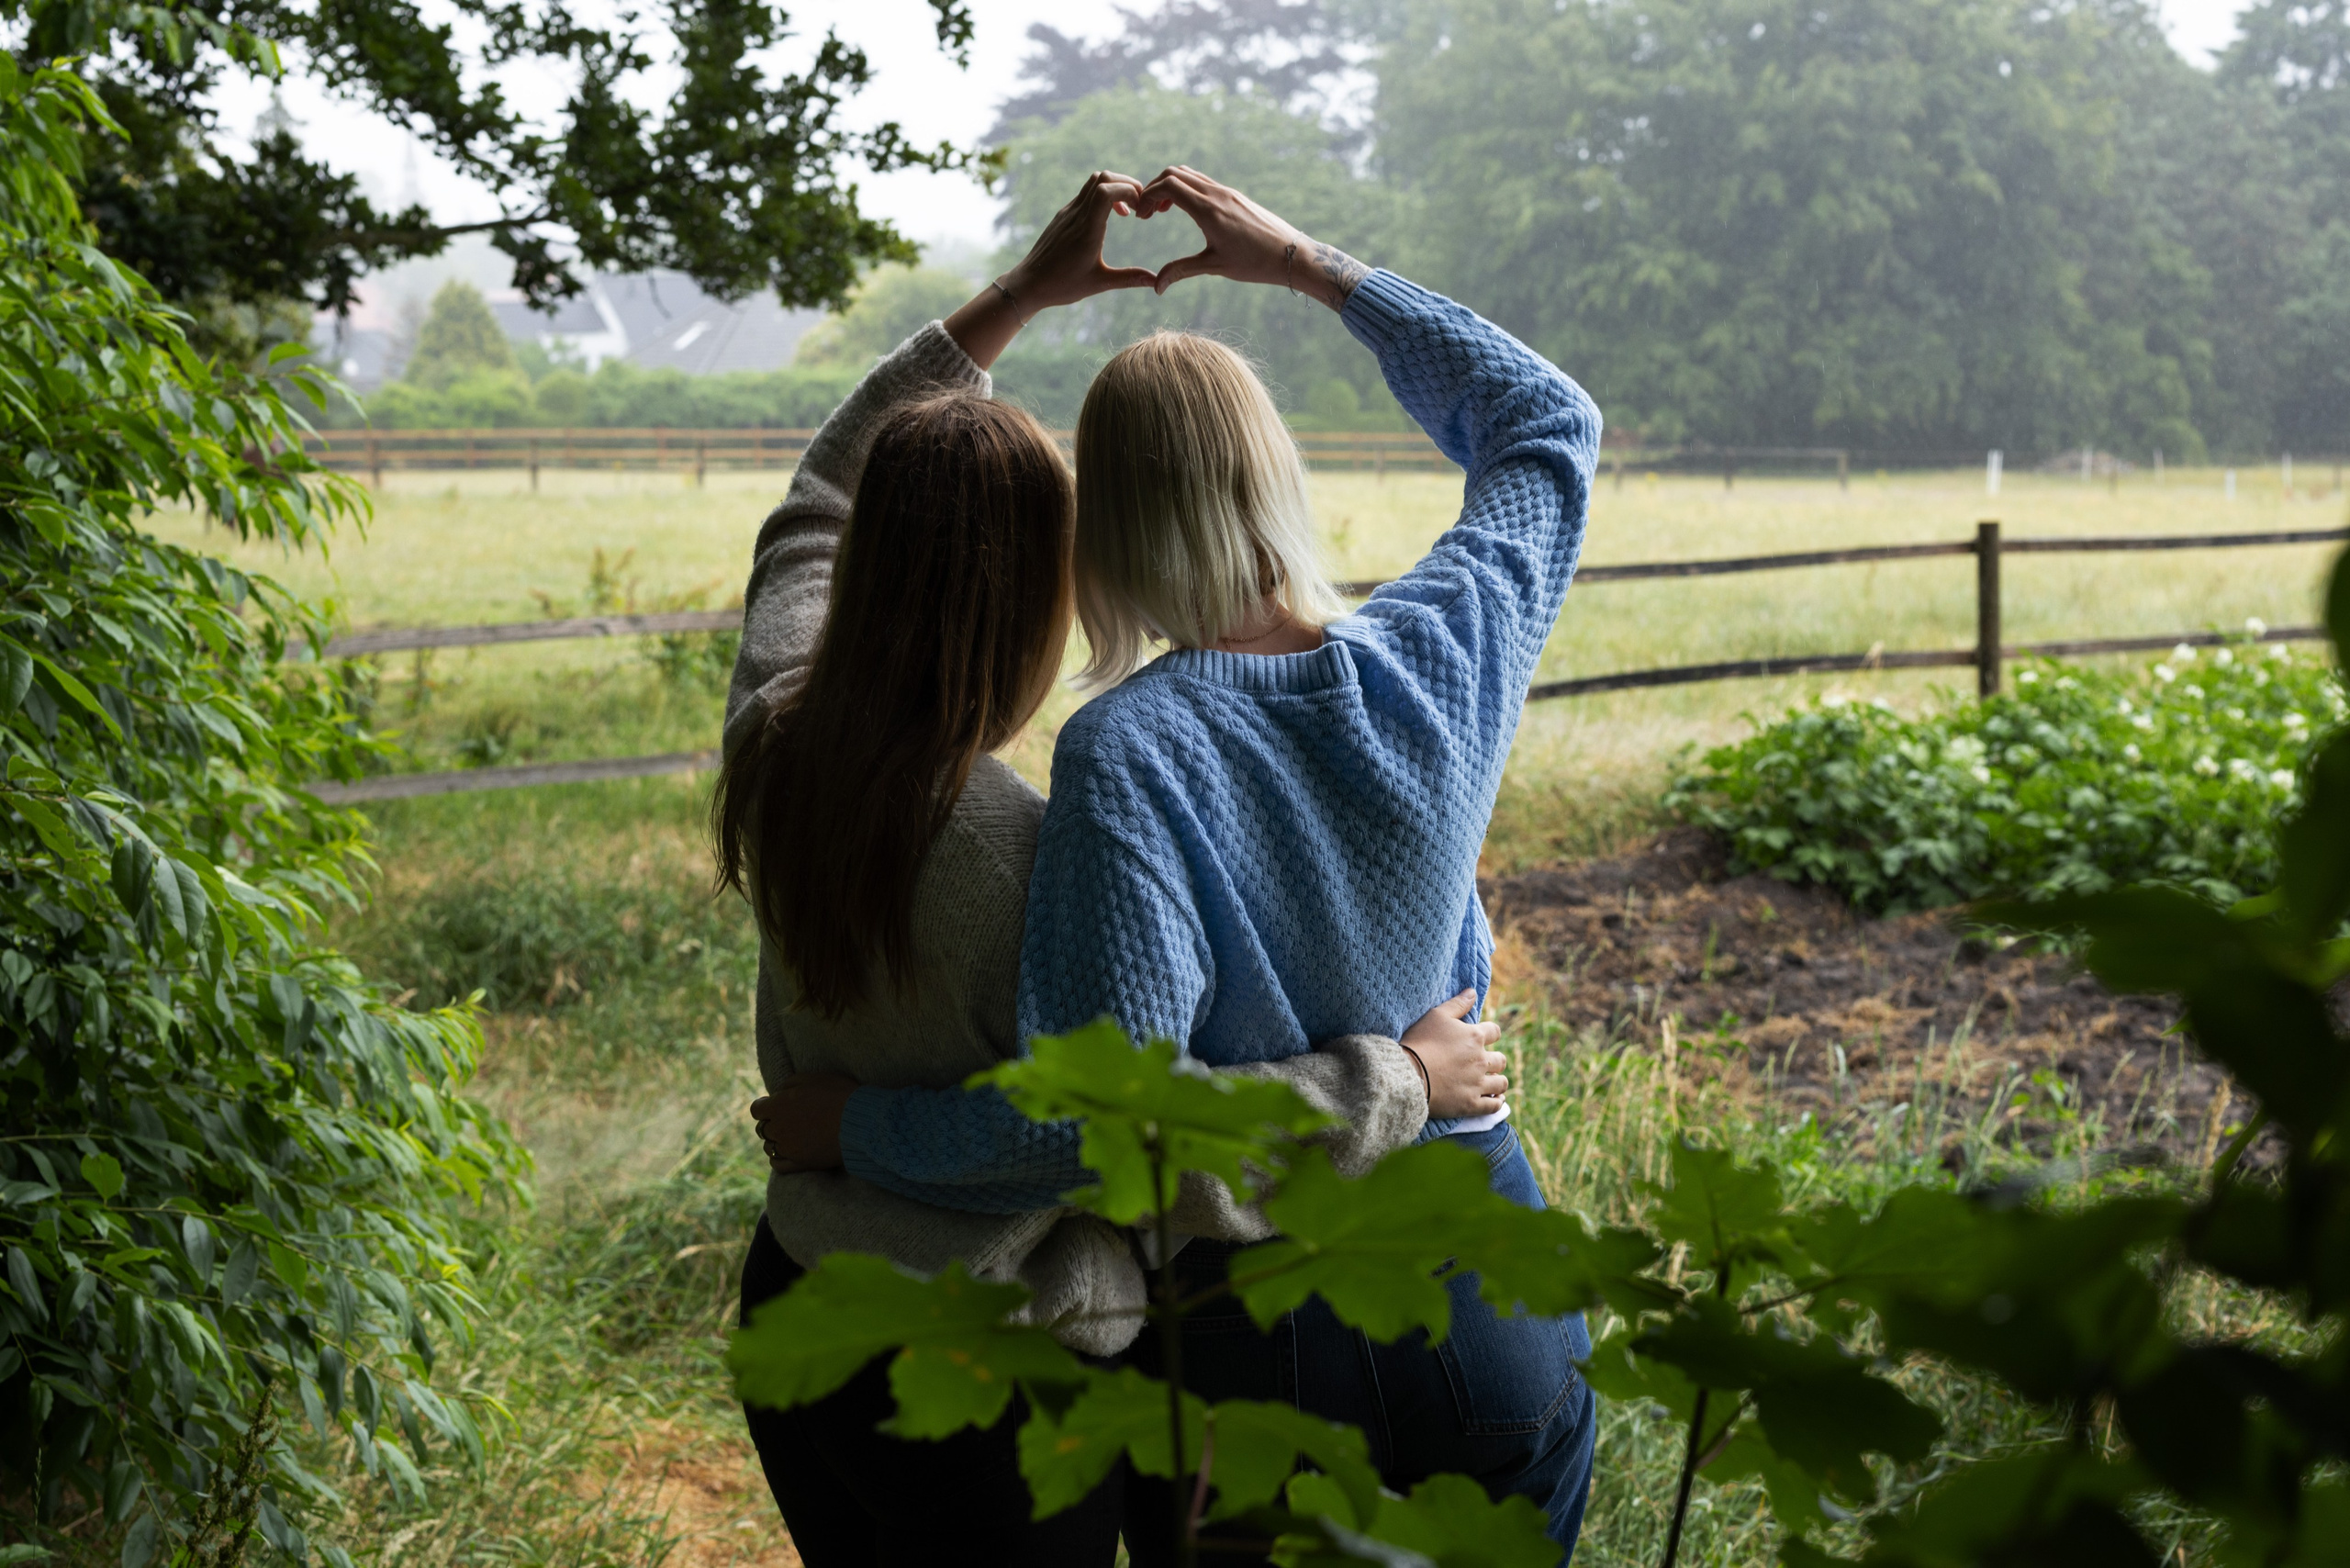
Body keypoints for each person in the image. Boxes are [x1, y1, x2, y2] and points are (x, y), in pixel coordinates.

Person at [761, 166, 1606, 1561]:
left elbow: (1094, 1135)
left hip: (1258, 1327)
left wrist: (856, 1131)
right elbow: (1550, 422)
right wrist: (1309, 266)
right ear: (1279, 476)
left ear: (1101, 530)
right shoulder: (1448, 646)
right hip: (1488, 1273)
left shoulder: (1125, 754)